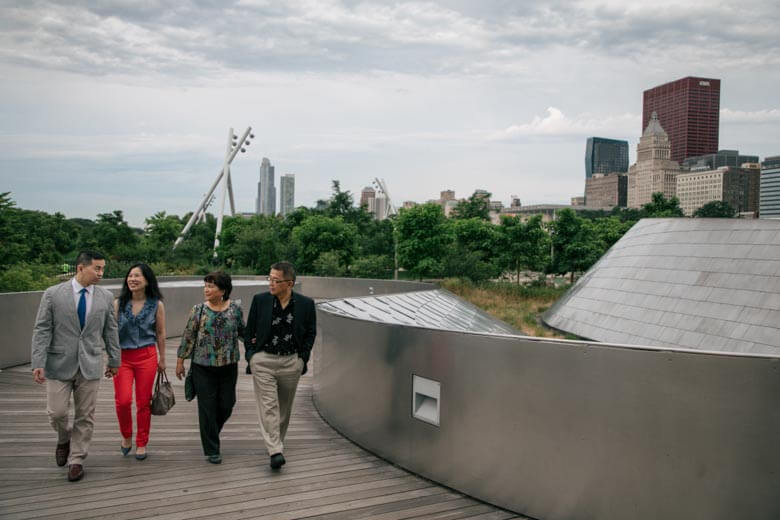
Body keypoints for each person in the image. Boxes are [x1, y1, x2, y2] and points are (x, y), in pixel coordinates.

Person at [31, 250, 120, 482]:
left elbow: (110, 330)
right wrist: (37, 361)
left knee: (85, 414)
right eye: (97, 268)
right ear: (81, 268)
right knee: (57, 412)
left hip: (90, 362)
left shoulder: (106, 296)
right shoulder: (53, 294)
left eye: (103, 268)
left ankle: (77, 459)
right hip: (58, 362)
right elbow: (42, 329)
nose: (101, 273)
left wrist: (114, 359)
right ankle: (64, 438)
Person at [245, 261, 316, 469]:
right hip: (264, 360)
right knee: (269, 406)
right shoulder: (260, 301)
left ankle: (277, 442)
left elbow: (311, 333)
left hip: (291, 362)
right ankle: (275, 450)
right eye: (269, 278)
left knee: (284, 408)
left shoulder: (306, 304)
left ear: (290, 283)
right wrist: (251, 356)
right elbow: (249, 331)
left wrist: (302, 358)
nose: (271, 283)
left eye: (276, 280)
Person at [175, 271, 244, 464]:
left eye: (211, 286)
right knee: (206, 408)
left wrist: (257, 346)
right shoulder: (198, 310)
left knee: (227, 405)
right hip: (202, 366)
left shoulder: (235, 309)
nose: (207, 289)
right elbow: (188, 336)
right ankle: (212, 449)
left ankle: (211, 432)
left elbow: (243, 331)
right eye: (205, 285)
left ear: (223, 290)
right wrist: (180, 361)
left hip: (229, 365)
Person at [113, 263, 166, 461]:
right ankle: (126, 435)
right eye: (130, 275)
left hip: (146, 356)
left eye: (137, 276)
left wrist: (162, 359)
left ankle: (142, 442)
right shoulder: (118, 303)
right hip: (122, 357)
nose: (132, 279)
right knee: (123, 400)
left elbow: (160, 333)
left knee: (143, 402)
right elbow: (110, 332)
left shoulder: (156, 304)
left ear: (147, 280)